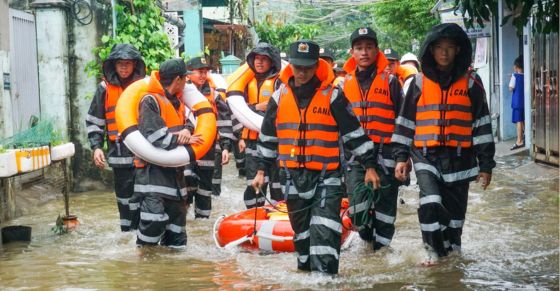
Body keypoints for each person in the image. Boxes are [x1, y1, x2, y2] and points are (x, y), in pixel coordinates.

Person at [252, 40, 380, 275]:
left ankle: (325, 282)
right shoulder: (279, 97)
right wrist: (261, 172)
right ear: (290, 66)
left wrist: (369, 166)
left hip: (326, 178)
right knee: (303, 241)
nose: (302, 72)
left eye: (308, 67)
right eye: (298, 67)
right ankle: (307, 276)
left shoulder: (333, 96)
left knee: (324, 234)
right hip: (291, 178)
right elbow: (268, 138)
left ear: (316, 66)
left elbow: (354, 134)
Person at [392, 23, 496, 265]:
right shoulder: (418, 82)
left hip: (461, 159)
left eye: (450, 48)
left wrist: (486, 165)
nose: (444, 53)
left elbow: (482, 125)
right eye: (439, 47)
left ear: (458, 50)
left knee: (455, 222)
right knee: (430, 203)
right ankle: (432, 253)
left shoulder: (472, 82)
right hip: (426, 155)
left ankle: (451, 258)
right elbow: (405, 122)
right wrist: (400, 157)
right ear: (431, 50)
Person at [341, 27, 405, 250]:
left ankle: (381, 253)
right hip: (355, 156)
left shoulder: (391, 82)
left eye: (369, 47)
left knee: (385, 211)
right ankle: (367, 238)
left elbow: (403, 121)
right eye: (359, 48)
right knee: (357, 212)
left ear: (377, 50)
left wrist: (402, 158)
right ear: (352, 52)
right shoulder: (343, 85)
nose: (364, 52)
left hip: (386, 153)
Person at [134, 58, 202, 247]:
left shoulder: (178, 102)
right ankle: (143, 266)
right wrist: (180, 138)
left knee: (177, 234)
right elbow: (155, 137)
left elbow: (187, 122)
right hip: (152, 177)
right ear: (178, 79)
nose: (187, 83)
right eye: (185, 79)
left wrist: (187, 130)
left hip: (176, 178)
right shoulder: (150, 101)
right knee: (153, 222)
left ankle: (173, 273)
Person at [86, 43, 146, 232]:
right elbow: (95, 120)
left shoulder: (143, 87)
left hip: (143, 153)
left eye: (128, 63)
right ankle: (127, 234)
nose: (124, 67)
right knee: (124, 198)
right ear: (113, 65)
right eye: (120, 63)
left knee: (144, 195)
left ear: (135, 65)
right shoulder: (104, 88)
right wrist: (96, 147)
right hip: (119, 154)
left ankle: (143, 236)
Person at [226, 42, 283, 208]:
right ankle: (253, 214)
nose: (259, 62)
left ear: (271, 61)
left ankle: (281, 217)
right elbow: (236, 109)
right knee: (254, 182)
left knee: (277, 182)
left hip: (275, 141)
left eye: (264, 59)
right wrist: (256, 107)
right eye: (256, 58)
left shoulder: (279, 82)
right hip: (252, 140)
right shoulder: (245, 82)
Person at [184, 56, 234, 218]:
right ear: (188, 73)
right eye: (200, 72)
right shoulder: (179, 93)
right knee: (185, 186)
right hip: (185, 150)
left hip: (208, 150)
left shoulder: (214, 95)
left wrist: (226, 147)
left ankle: (203, 225)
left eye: (205, 72)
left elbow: (224, 121)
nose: (203, 75)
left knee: (205, 189)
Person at [509, 55, 524, 150]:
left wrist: (510, 78)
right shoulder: (526, 76)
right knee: (523, 119)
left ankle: (519, 141)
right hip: (524, 102)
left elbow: (511, 88)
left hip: (517, 102)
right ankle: (525, 136)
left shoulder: (514, 76)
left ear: (516, 67)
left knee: (518, 121)